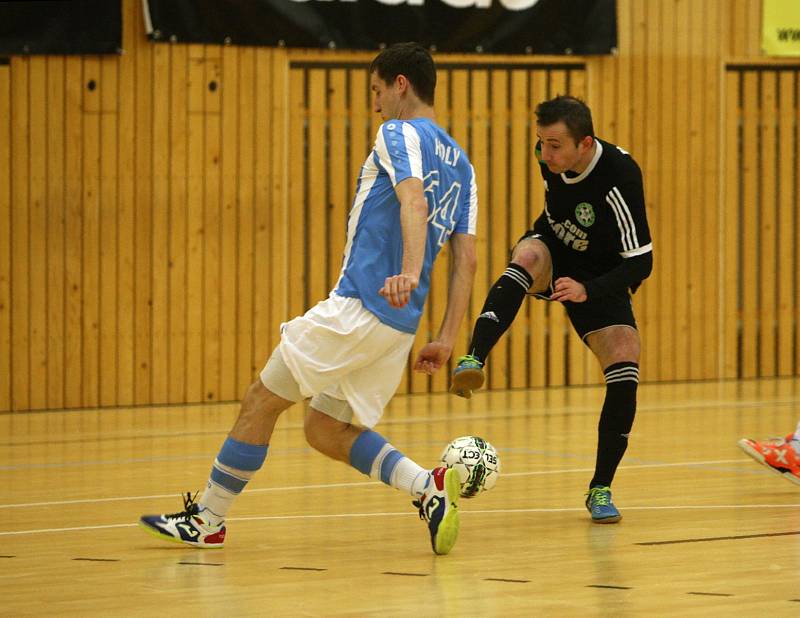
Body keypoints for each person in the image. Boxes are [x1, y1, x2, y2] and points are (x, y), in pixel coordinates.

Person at [139, 42, 478, 555]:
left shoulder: (399, 132)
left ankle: (208, 518)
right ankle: (426, 487)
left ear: (400, 84)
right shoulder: (466, 168)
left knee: (261, 399)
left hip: (360, 307)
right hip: (399, 326)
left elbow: (414, 198)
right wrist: (447, 338)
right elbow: (466, 261)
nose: (375, 103)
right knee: (324, 428)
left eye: (376, 90)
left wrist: (408, 269)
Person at [450, 95, 652, 524]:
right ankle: (474, 357)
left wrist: (588, 290)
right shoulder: (549, 157)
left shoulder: (619, 176)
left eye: (555, 145)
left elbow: (641, 262)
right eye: (541, 143)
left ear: (585, 143)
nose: (545, 154)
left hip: (599, 280)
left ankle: (600, 488)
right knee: (525, 257)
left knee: (625, 361)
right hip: (554, 251)